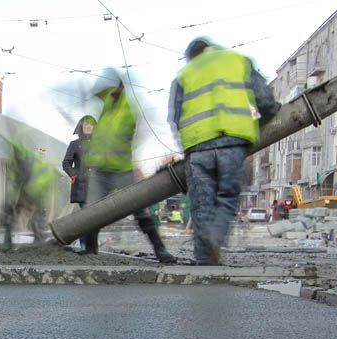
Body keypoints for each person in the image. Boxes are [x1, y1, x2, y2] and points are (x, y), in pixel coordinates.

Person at [169, 37, 279, 265]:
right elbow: (265, 100)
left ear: (191, 56)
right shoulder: (238, 61)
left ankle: (205, 260)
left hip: (198, 148)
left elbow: (176, 117)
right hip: (232, 141)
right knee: (227, 197)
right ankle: (216, 237)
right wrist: (261, 121)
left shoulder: (184, 75)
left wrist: (186, 144)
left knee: (201, 206)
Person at [84, 71, 177, 263]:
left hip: (122, 169)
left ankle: (160, 250)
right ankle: (90, 249)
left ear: (120, 86)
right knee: (91, 210)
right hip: (100, 169)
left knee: (139, 210)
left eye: (113, 88)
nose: (110, 92)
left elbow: (142, 129)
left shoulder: (129, 106)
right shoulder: (106, 105)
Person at [2, 138, 58, 251]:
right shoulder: (17, 139)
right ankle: (8, 239)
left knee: (36, 211)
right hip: (25, 183)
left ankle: (38, 239)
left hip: (36, 184)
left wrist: (36, 186)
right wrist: (15, 182)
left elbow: (47, 166)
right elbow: (14, 164)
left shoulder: (34, 138)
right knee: (11, 210)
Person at [62, 115, 96, 253]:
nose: (88, 127)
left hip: (96, 185)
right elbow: (66, 163)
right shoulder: (74, 144)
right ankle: (85, 246)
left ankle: (91, 247)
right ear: (81, 127)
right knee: (86, 214)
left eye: (91, 124)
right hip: (81, 185)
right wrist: (74, 174)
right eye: (85, 124)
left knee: (95, 215)